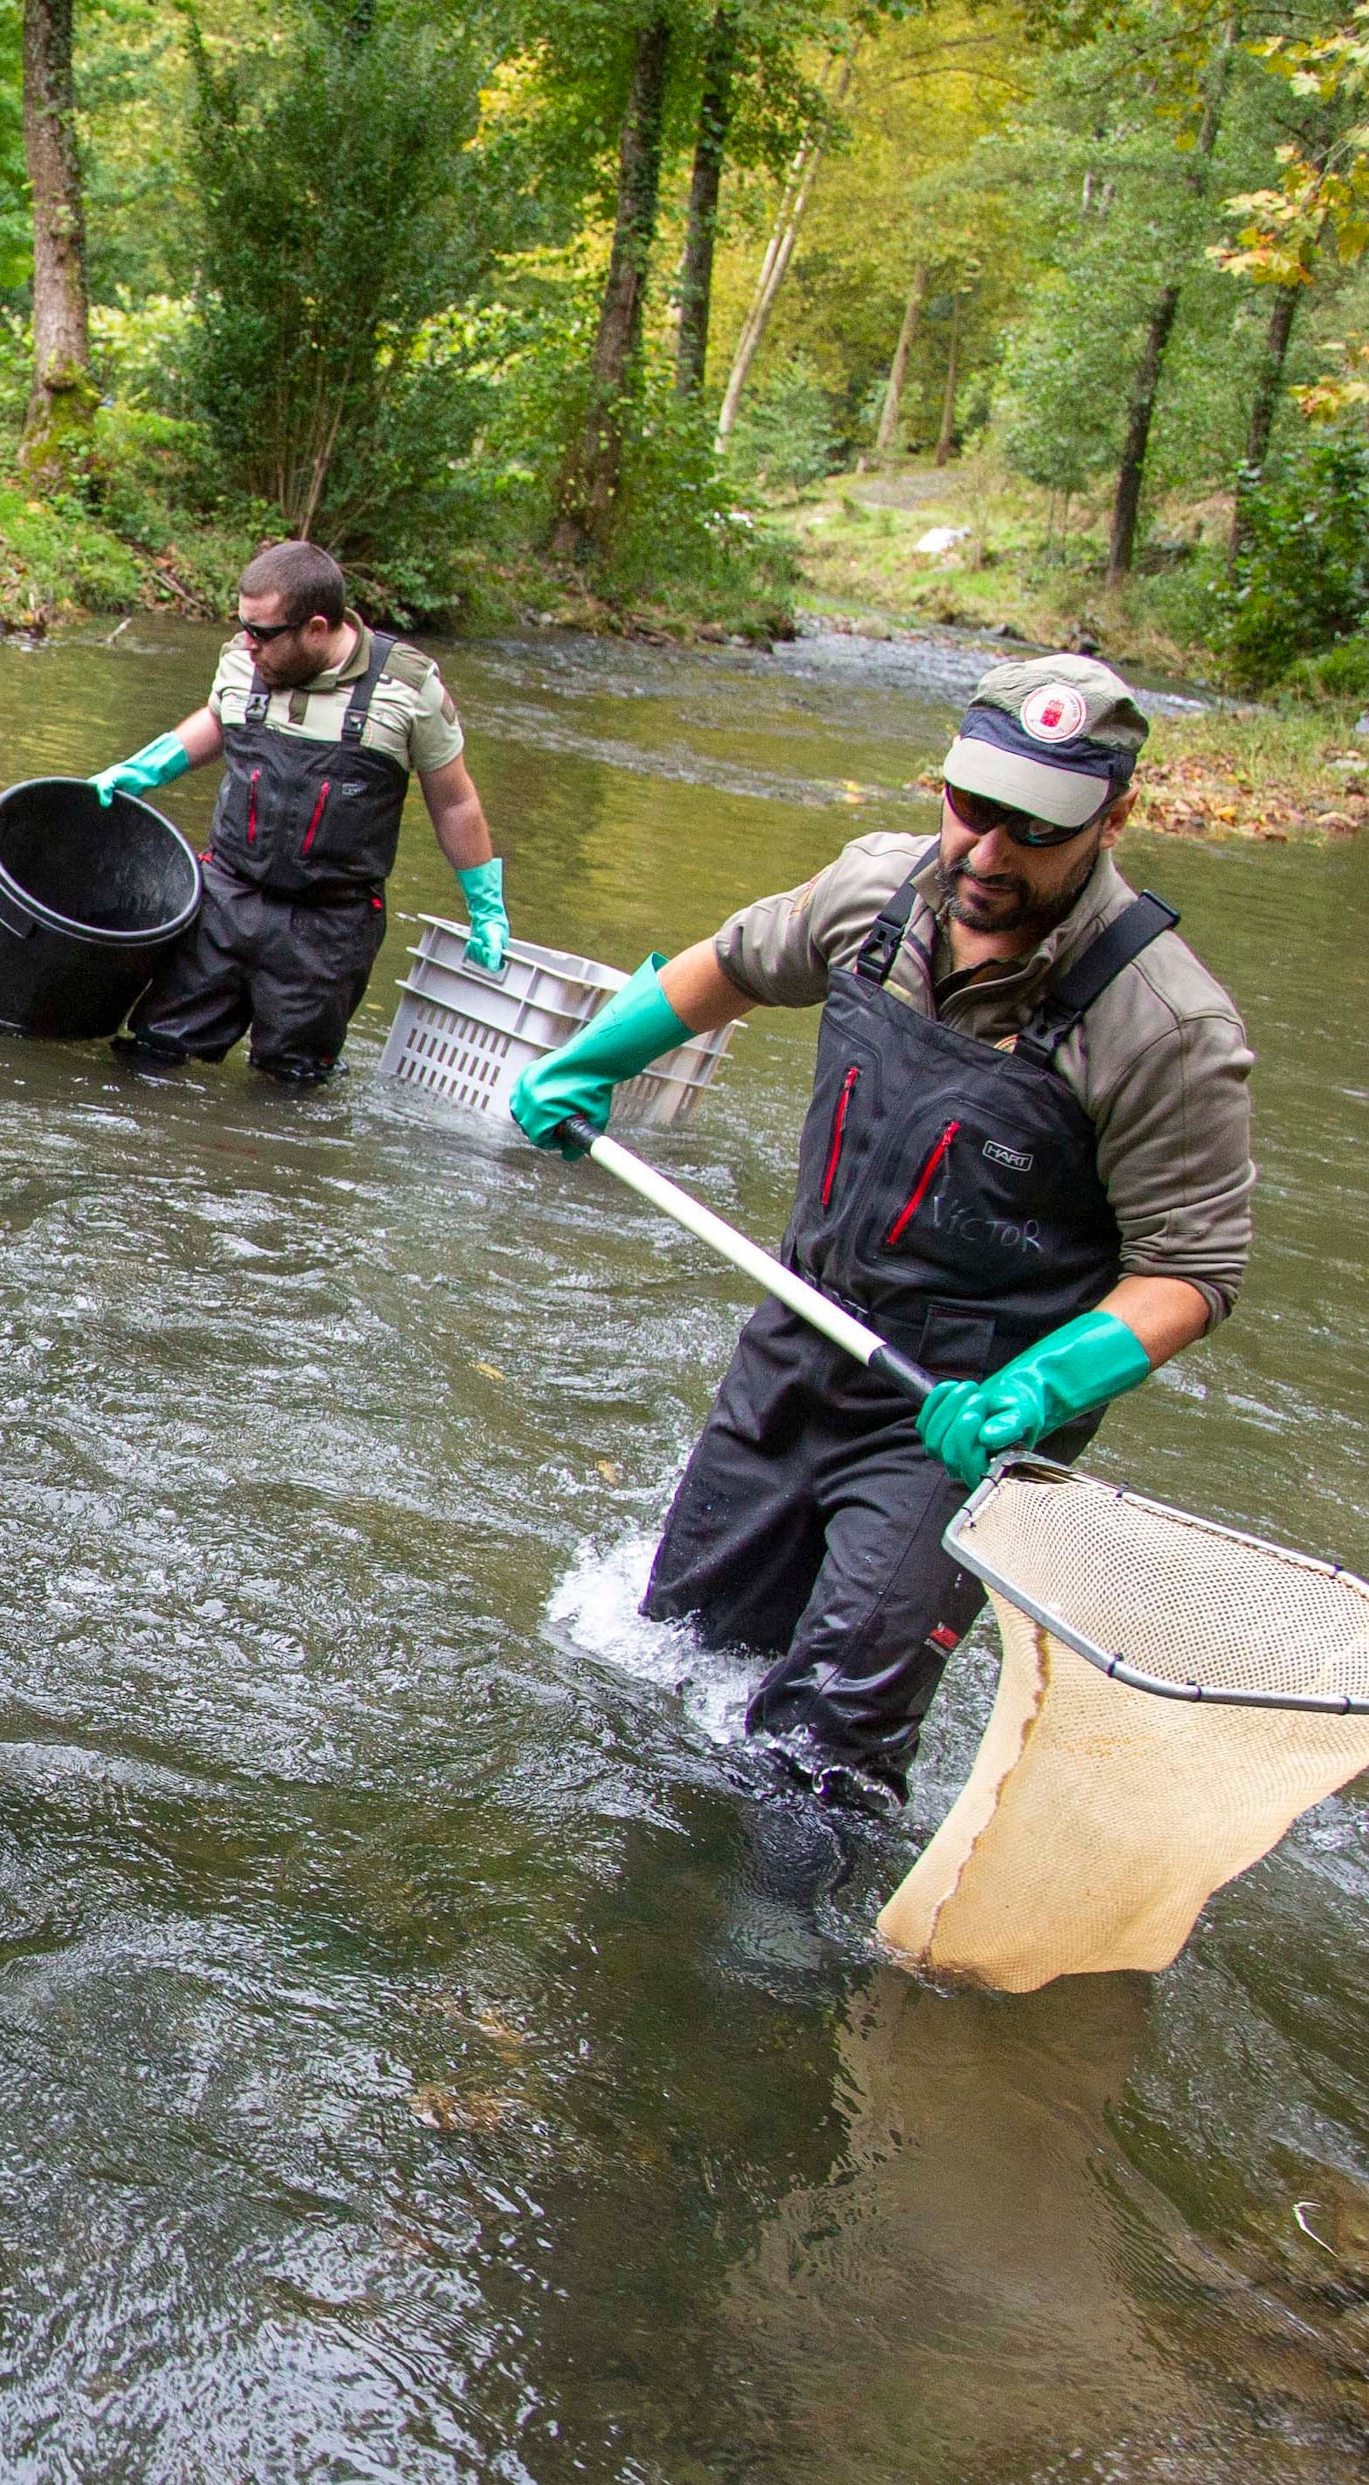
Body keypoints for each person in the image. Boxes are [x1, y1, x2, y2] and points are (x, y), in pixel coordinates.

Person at [508, 654, 1255, 1811]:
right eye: (971, 810)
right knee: (665, 1657)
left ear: (1113, 819)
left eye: (1033, 830)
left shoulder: (1164, 1026)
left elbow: (1191, 1272)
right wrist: (589, 1061)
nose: (986, 855)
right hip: (798, 1339)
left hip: (956, 1416)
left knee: (819, 1754)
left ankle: (780, 1967)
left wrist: (1035, 1392)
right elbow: (737, 961)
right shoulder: (875, 894)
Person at [86, 539, 512, 1084]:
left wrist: (485, 906)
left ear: (316, 628)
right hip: (225, 898)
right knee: (151, 1056)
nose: (246, 642)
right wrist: (140, 770)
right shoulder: (243, 659)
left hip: (330, 927)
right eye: (242, 624)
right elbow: (218, 721)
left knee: (291, 1089)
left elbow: (454, 801)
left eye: (261, 632)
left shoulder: (407, 688)